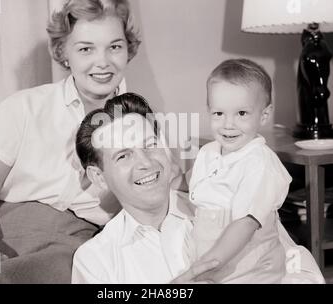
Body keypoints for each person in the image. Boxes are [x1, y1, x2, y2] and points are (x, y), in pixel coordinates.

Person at [0, 0, 140, 283]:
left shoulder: (140, 125)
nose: (103, 61)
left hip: (72, 248)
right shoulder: (23, 108)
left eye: (115, 46)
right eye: (85, 49)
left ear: (128, 50)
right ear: (63, 52)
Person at [71, 92, 325, 284]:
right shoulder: (96, 261)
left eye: (150, 145)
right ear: (99, 177)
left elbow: (301, 269)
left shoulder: (231, 201)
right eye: (123, 156)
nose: (146, 163)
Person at [188, 58, 291, 283]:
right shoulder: (208, 153)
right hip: (214, 265)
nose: (228, 124)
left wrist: (196, 272)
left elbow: (245, 224)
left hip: (252, 269)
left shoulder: (260, 163)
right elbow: (201, 195)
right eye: (219, 113)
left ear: (264, 115)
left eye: (241, 113)